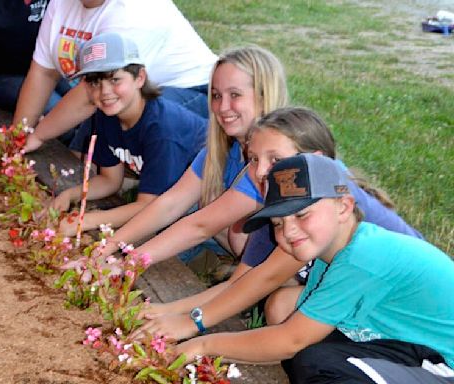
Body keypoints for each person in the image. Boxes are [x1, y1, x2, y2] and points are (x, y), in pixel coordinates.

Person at [133, 107, 423, 341]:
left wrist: (192, 322)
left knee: (282, 309)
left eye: (275, 160)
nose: (259, 172)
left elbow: (264, 280)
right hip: (365, 293)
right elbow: (242, 282)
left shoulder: (319, 203)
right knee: (280, 306)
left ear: (313, 160)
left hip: (409, 309)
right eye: (253, 159)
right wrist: (164, 310)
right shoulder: (282, 210)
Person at [176, 153, 454, 384]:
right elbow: (290, 341)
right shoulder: (332, 256)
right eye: (278, 224)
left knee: (314, 362)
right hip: (410, 345)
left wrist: (202, 345)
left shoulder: (362, 257)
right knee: (306, 349)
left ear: (344, 207)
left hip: (444, 364)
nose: (289, 230)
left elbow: (290, 341)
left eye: (302, 214)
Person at [89, 45, 288, 263]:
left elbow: (200, 227)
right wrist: (108, 247)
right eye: (216, 95)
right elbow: (170, 203)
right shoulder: (221, 148)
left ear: (263, 95)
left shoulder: (271, 160)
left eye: (235, 95)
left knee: (217, 218)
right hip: (242, 248)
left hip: (292, 271)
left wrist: (129, 263)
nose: (222, 107)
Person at [14, 0, 217, 152]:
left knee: (115, 108)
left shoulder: (131, 10)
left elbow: (89, 97)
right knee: (83, 161)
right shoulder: (61, 3)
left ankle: (147, 186)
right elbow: (43, 72)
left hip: (193, 93)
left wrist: (38, 136)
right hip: (124, 91)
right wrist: (19, 134)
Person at [53, 32, 207, 231]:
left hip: (207, 199)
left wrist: (88, 220)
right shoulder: (106, 115)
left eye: (115, 79)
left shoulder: (162, 128)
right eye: (94, 83)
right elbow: (110, 180)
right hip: (166, 196)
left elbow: (150, 206)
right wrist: (70, 195)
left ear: (140, 78)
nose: (105, 91)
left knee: (149, 245)